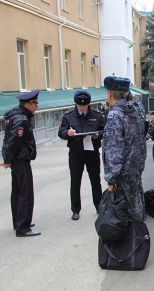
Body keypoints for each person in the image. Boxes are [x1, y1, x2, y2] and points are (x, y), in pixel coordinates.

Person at [58, 91, 106, 221]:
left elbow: (104, 129)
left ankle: (99, 207)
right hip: (76, 152)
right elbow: (61, 131)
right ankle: (75, 210)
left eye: (84, 106)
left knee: (95, 180)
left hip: (92, 152)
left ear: (88, 104)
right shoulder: (69, 116)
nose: (82, 108)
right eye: (80, 105)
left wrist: (98, 135)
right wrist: (68, 133)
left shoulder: (96, 115)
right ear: (76, 104)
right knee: (75, 181)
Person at [102, 76, 145, 220]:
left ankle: (132, 241)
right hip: (134, 170)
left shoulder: (115, 115)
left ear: (109, 93)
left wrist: (111, 179)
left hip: (121, 175)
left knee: (122, 215)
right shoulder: (133, 112)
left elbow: (115, 151)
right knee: (134, 208)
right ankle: (139, 239)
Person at [1, 89, 41, 237]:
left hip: (16, 160)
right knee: (25, 193)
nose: (37, 106)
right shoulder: (21, 120)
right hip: (21, 160)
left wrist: (7, 159)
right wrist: (7, 160)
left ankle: (18, 221)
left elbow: (8, 140)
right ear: (28, 104)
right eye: (35, 104)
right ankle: (23, 228)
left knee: (17, 192)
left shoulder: (15, 116)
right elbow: (13, 142)